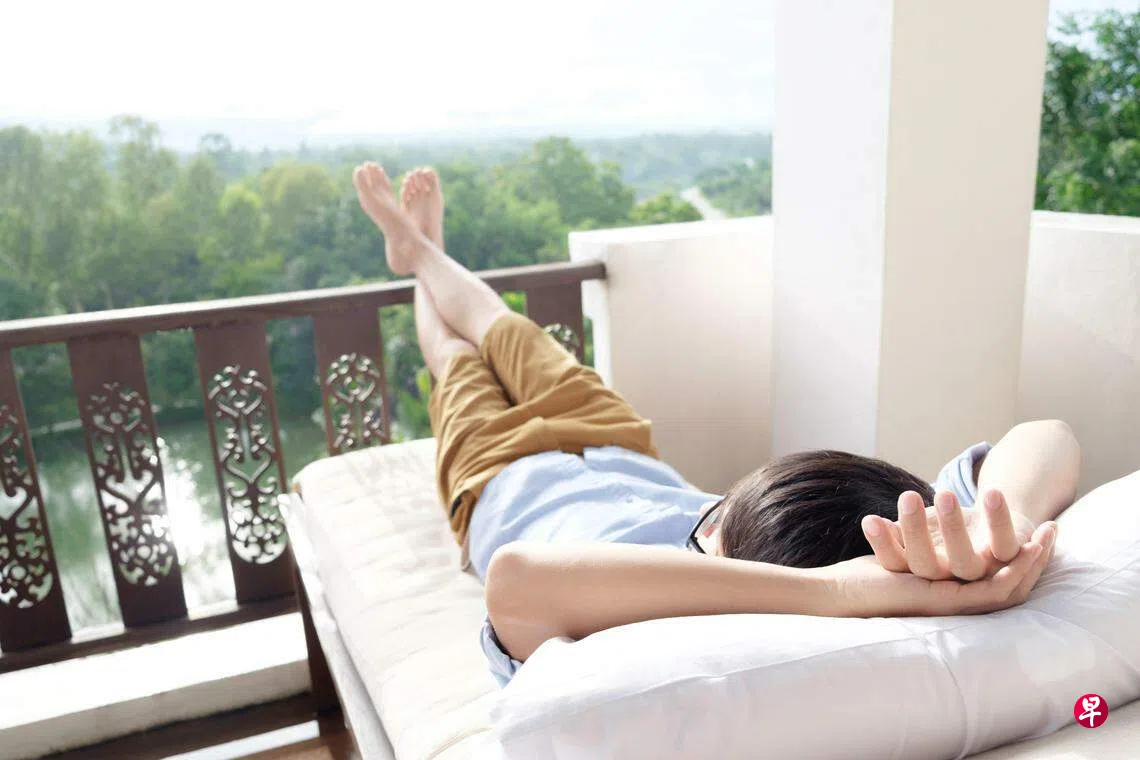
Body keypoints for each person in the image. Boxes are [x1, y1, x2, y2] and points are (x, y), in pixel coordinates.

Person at [350, 162, 1075, 687]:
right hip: (614, 441)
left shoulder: (644, 623)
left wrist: (834, 595)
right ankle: (423, 250)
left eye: (710, 535)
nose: (703, 521)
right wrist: (998, 528)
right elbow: (1049, 437)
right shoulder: (884, 543)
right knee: (501, 326)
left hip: (502, 473)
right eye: (718, 508)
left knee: (455, 360)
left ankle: (416, 254)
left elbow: (515, 581)